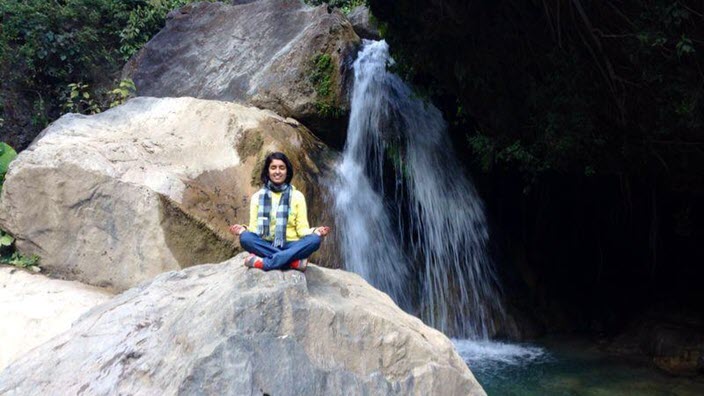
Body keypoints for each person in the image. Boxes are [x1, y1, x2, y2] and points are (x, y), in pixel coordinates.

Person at [229, 152, 330, 271]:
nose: (277, 171)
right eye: (273, 168)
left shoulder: (297, 196)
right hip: (266, 243)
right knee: (246, 238)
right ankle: (292, 262)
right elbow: (254, 229)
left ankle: (267, 262)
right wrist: (243, 229)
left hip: (292, 244)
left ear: (287, 171)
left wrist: (315, 231)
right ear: (268, 171)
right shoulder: (257, 197)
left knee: (314, 240)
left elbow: (302, 229)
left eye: (282, 168)